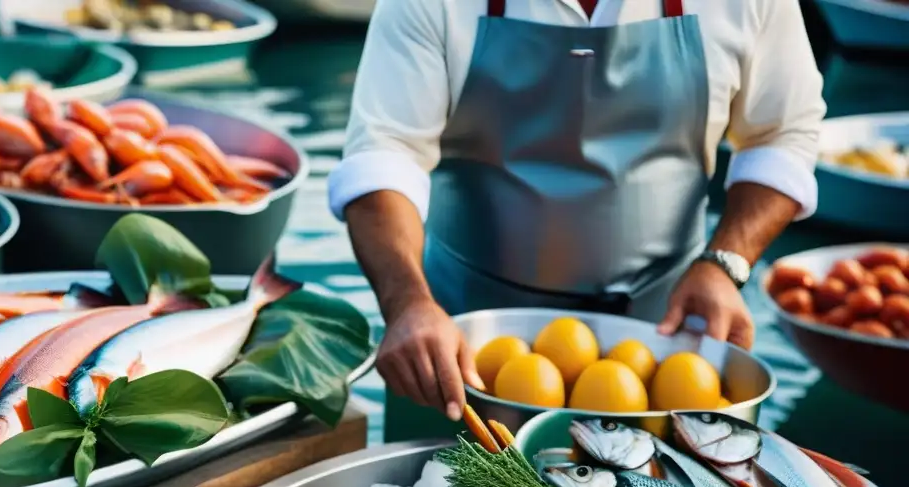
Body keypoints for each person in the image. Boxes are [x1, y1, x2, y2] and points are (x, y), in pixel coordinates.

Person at [327, 0, 825, 424]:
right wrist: (408, 303)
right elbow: (384, 154)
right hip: (456, 351)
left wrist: (725, 263)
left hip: (665, 348)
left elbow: (782, 133)